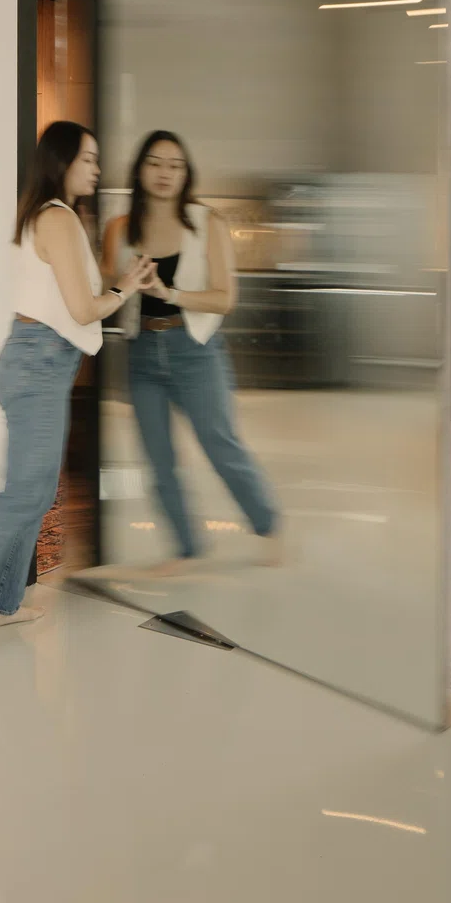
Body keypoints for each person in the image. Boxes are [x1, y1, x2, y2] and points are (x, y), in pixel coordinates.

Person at [0, 121, 155, 670]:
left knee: (34, 490)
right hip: (39, 364)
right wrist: (126, 286)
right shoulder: (58, 217)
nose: (97, 168)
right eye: (90, 158)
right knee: (23, 496)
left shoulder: (45, 215)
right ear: (63, 161)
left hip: (34, 361)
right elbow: (82, 309)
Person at [102, 130, 278, 572]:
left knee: (221, 444)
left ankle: (268, 524)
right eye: (156, 163)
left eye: (175, 165)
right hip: (142, 351)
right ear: (140, 170)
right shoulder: (121, 229)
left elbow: (224, 298)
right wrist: (121, 285)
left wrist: (170, 291)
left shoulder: (208, 223)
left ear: (186, 173)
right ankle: (186, 547)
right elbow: (107, 292)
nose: (165, 173)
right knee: (158, 459)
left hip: (195, 348)